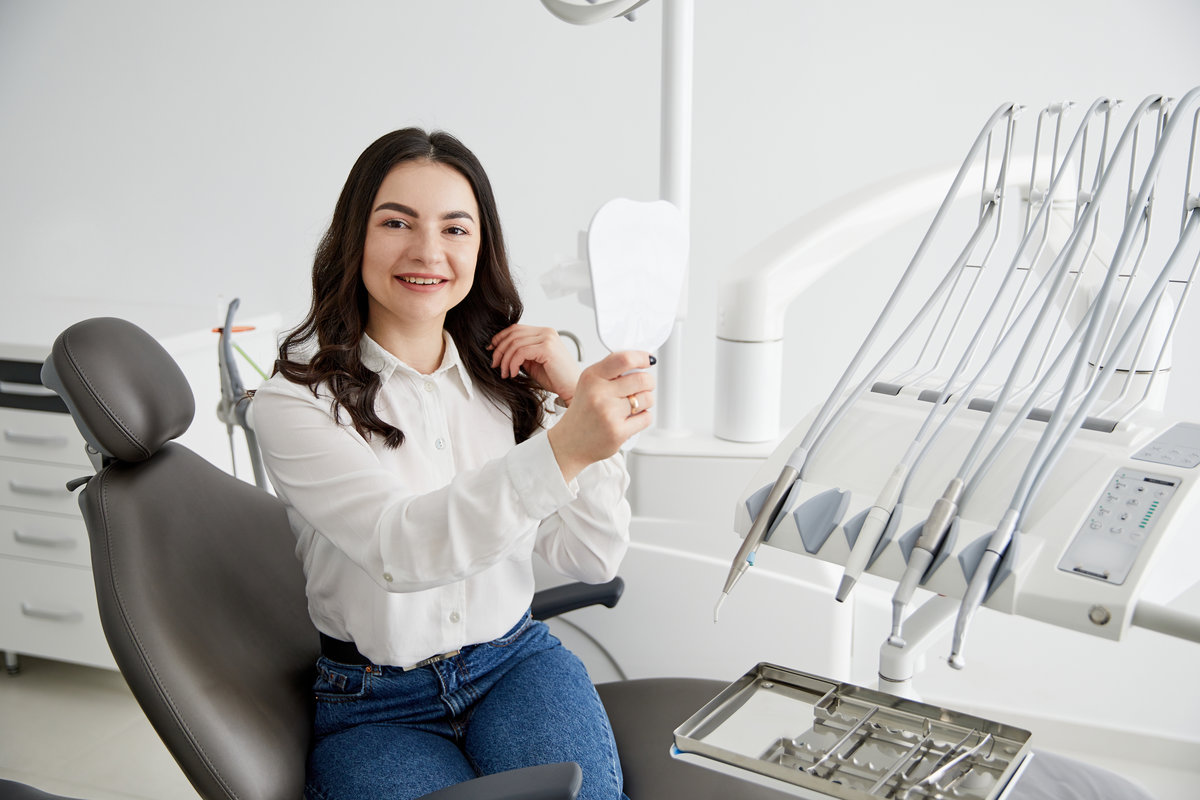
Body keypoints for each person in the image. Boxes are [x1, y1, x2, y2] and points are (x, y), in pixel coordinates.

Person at [251, 127, 654, 800]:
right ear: (355, 238)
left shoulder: (509, 385)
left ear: (481, 249)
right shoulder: (295, 405)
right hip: (376, 703)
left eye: (455, 229)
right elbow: (401, 547)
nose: (427, 251)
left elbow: (592, 557)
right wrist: (567, 445)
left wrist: (572, 398)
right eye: (396, 222)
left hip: (514, 666)